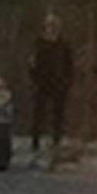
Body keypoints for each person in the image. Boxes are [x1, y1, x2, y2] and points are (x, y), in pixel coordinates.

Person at [29, 13, 74, 153]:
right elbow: (32, 63)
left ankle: (56, 140)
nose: (52, 28)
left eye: (54, 25)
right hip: (42, 83)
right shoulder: (38, 43)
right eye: (49, 25)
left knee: (58, 114)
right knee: (38, 113)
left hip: (58, 84)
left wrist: (67, 82)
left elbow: (69, 65)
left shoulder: (63, 45)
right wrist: (34, 79)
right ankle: (35, 141)